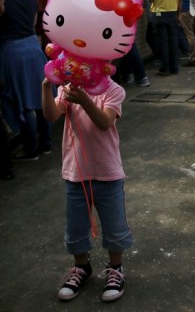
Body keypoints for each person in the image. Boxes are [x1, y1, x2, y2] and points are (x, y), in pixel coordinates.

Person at [42, 66, 133, 303]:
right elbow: (51, 115)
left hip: (108, 173)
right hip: (75, 173)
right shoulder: (69, 88)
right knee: (76, 227)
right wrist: (46, 87)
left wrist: (84, 100)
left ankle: (116, 268)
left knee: (114, 226)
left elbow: (104, 122)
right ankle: (81, 268)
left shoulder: (114, 90)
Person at [0, 0, 51, 162]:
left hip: (13, 53)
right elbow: (33, 23)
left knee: (24, 104)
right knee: (40, 98)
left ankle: (30, 149)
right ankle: (46, 144)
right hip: (33, 49)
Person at [145, 0, 182, 76]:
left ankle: (164, 68)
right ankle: (174, 67)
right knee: (172, 41)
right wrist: (178, 14)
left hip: (158, 13)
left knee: (162, 42)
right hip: (172, 12)